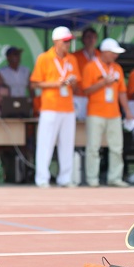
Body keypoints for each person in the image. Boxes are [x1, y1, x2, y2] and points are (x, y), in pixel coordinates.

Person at [30, 26, 80, 188]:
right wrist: (56, 84)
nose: (67, 44)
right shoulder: (44, 58)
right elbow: (35, 83)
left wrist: (71, 82)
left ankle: (65, 178)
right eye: (65, 41)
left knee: (67, 144)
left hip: (68, 107)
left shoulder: (72, 59)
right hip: (50, 107)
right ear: (56, 41)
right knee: (46, 143)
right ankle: (42, 178)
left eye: (69, 41)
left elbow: (78, 83)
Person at [81, 38, 133, 188]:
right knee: (93, 147)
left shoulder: (117, 68)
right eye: (113, 53)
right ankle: (92, 179)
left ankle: (115, 178)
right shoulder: (90, 67)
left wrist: (128, 112)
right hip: (95, 113)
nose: (116, 56)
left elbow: (122, 92)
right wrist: (103, 83)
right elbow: (85, 90)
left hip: (114, 113)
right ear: (105, 52)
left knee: (117, 148)